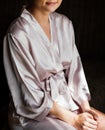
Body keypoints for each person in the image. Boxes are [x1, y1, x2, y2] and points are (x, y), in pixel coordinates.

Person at [3, 0, 105, 130]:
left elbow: (75, 72)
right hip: (34, 113)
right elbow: (29, 94)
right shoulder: (17, 34)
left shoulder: (65, 24)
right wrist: (74, 120)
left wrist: (86, 109)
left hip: (68, 102)